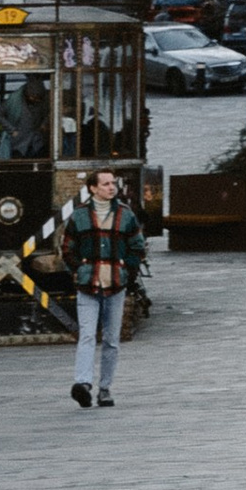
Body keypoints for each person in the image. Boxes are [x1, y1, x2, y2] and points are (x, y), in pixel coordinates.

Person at [60, 168, 144, 408]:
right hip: (88, 284)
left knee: (111, 339)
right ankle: (83, 383)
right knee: (87, 335)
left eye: (113, 183)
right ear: (93, 188)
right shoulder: (79, 216)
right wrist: (79, 269)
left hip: (116, 284)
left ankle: (105, 388)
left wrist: (128, 270)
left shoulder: (125, 215)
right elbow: (67, 248)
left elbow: (137, 246)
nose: (111, 187)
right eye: (106, 184)